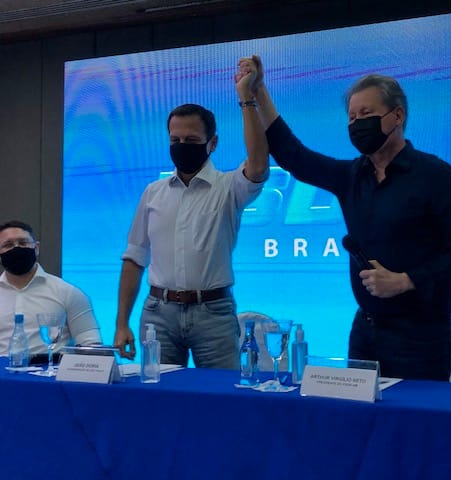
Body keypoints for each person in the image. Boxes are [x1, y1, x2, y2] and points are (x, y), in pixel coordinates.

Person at [249, 55, 451, 380]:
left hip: (421, 336)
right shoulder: (352, 177)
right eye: (351, 117)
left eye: (366, 114)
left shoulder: (436, 176)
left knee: (413, 414)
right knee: (359, 413)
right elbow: (295, 156)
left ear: (397, 115)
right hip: (365, 330)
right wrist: (259, 91)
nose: (357, 123)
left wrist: (406, 280)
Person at [113, 58, 269, 369]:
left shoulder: (229, 187)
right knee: (158, 394)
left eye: (192, 140)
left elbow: (258, 165)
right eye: (175, 140)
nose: (182, 145)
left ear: (212, 143)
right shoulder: (153, 193)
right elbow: (134, 257)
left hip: (213, 313)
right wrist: (121, 323)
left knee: (221, 394)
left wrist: (247, 99)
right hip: (157, 313)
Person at [0, 220, 102, 356]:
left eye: (23, 243)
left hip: (51, 368)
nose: (17, 248)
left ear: (36, 248)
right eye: (8, 245)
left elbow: (91, 346)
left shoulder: (68, 293)